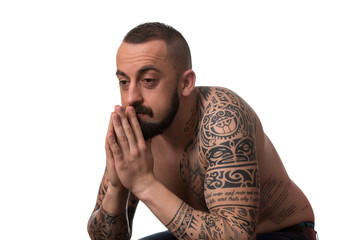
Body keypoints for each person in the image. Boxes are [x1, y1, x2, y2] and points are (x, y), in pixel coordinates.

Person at [87, 22, 317, 240]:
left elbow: (238, 235)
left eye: (148, 80)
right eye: (124, 82)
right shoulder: (139, 124)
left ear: (186, 83)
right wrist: (117, 187)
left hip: (281, 233)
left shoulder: (223, 119)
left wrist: (144, 184)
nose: (131, 98)